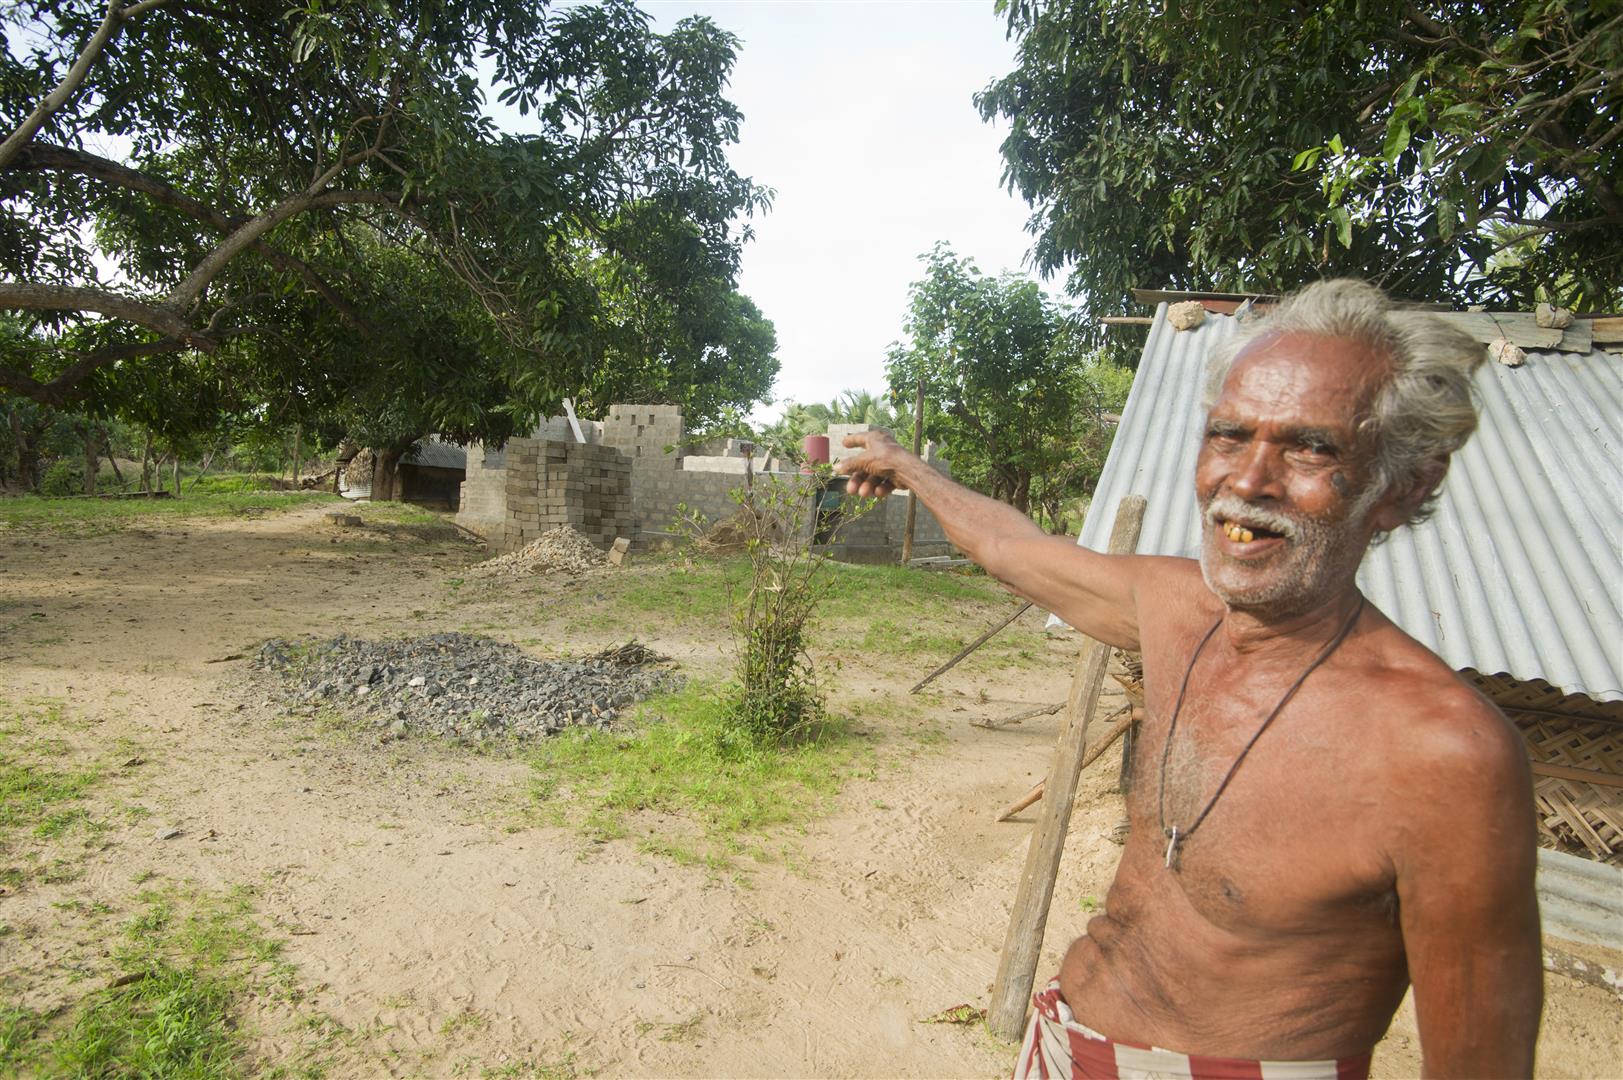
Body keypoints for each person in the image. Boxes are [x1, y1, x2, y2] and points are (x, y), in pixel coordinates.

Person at [838, 280, 1542, 1079]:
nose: (1246, 481)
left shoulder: (1445, 754)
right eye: (1228, 435)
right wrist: (906, 468)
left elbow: (1481, 1063)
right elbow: (1015, 548)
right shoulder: (1174, 608)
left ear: (1403, 484)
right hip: (1065, 1046)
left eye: (1309, 447)